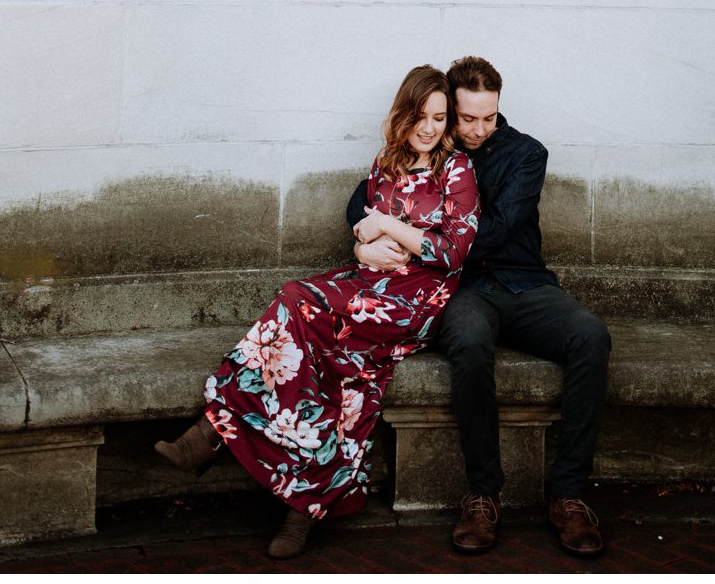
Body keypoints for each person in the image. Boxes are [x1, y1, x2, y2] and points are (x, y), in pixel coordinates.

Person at [156, 64, 479, 560]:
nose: (430, 128)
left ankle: (215, 429)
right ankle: (299, 508)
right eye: (420, 115)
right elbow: (364, 232)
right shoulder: (386, 163)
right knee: (338, 371)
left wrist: (386, 227)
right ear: (404, 113)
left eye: (439, 117)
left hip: (412, 301)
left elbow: (451, 251)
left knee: (296, 301)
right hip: (368, 283)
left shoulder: (456, 171)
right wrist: (362, 249)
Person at [346, 54, 610, 555]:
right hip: (464, 290)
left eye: (488, 117)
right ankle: (484, 493)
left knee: (591, 336)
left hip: (524, 283)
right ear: (450, 109)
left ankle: (570, 494)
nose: (479, 129)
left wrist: (407, 231)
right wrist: (364, 239)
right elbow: (362, 200)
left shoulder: (526, 153)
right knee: (467, 342)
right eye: (467, 118)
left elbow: (491, 231)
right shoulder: (435, 147)